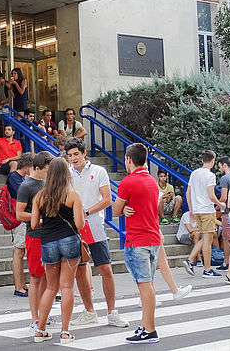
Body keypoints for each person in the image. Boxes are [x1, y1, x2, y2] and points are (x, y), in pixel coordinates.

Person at [64, 138, 129, 328]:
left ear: (84, 153)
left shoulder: (98, 171)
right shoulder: (66, 174)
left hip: (93, 223)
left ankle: (112, 312)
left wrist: (85, 212)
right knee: (80, 269)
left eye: (76, 154)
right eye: (70, 155)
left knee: (105, 268)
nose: (73, 158)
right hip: (73, 226)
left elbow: (107, 199)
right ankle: (89, 310)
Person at [30, 157, 84, 345]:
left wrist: (49, 222)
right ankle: (65, 332)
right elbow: (80, 224)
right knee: (67, 287)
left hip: (48, 243)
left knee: (50, 288)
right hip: (69, 240)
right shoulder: (72, 195)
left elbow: (34, 224)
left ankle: (41, 329)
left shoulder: (40, 196)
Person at [113, 143, 162, 344]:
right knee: (148, 284)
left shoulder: (128, 182)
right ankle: (145, 325)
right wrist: (126, 208)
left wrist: (123, 209)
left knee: (144, 285)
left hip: (137, 239)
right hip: (152, 237)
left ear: (128, 159)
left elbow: (115, 210)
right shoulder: (152, 181)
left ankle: (149, 329)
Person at [16, 151, 54, 333]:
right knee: (36, 278)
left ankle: (43, 313)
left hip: (49, 234)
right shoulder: (26, 186)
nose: (49, 172)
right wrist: (39, 217)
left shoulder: (47, 183)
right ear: (38, 168)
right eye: (48, 169)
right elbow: (19, 213)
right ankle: (34, 317)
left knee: (48, 277)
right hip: (34, 235)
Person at [183, 150, 226, 277]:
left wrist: (191, 209)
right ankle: (205, 269)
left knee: (205, 238)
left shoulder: (194, 174)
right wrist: (220, 204)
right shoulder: (210, 175)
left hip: (197, 210)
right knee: (207, 240)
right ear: (212, 161)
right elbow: (211, 196)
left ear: (202, 160)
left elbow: (188, 192)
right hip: (207, 210)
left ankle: (191, 260)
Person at [6, 153, 34, 297]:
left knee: (22, 251)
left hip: (25, 218)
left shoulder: (21, 178)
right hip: (19, 219)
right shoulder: (14, 177)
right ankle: (19, 286)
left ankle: (23, 284)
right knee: (19, 251)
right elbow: (23, 195)